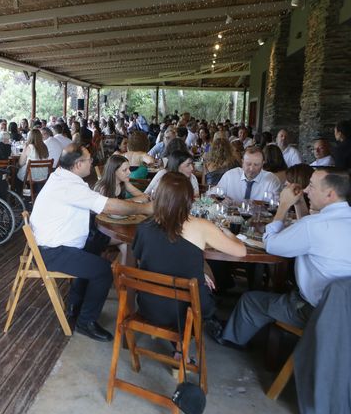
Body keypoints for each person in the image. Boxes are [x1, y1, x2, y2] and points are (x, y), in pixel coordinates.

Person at [30, 144, 153, 342]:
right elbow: (109, 205)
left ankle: (75, 307)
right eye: (89, 160)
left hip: (55, 244)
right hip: (52, 252)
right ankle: (86, 322)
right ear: (78, 164)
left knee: (94, 249)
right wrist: (145, 209)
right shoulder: (69, 186)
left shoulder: (62, 177)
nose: (93, 162)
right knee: (103, 271)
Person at [217, 168, 351, 346]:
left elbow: (272, 245)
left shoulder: (314, 226)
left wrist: (283, 206)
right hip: (344, 312)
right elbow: (308, 232)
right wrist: (298, 203)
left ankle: (229, 340)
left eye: (311, 186)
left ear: (330, 194)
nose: (305, 190)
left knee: (250, 300)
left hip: (315, 312)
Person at [133, 172, 245, 332]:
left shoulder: (143, 226)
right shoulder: (201, 226)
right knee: (209, 279)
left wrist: (197, 272)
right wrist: (229, 233)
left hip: (148, 305)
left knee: (201, 273)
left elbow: (145, 262)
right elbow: (241, 251)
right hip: (188, 309)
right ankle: (199, 331)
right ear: (189, 200)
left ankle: (178, 346)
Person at [94, 155, 149, 265]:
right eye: (125, 170)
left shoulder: (123, 183)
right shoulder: (103, 188)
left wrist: (128, 202)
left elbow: (144, 197)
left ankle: (131, 271)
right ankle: (125, 276)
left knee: (139, 238)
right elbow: (107, 214)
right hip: (100, 230)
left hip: (119, 225)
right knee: (129, 242)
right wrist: (131, 202)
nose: (129, 172)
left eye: (128, 169)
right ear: (114, 172)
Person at [216, 146, 282, 203]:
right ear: (242, 162)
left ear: (262, 164)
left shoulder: (272, 180)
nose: (251, 169)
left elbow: (276, 205)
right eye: (248, 164)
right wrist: (222, 200)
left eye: (256, 165)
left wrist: (252, 204)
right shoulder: (230, 175)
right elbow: (212, 195)